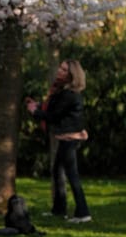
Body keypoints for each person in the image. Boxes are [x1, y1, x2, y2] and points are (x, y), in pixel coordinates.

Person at [27, 59, 91, 222]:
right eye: (60, 68)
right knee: (58, 171)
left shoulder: (70, 95)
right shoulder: (64, 92)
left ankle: (83, 212)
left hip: (70, 138)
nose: (59, 71)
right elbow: (52, 107)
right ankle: (59, 209)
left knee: (71, 174)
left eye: (64, 70)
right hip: (66, 137)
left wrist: (35, 112)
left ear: (71, 74)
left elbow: (54, 115)